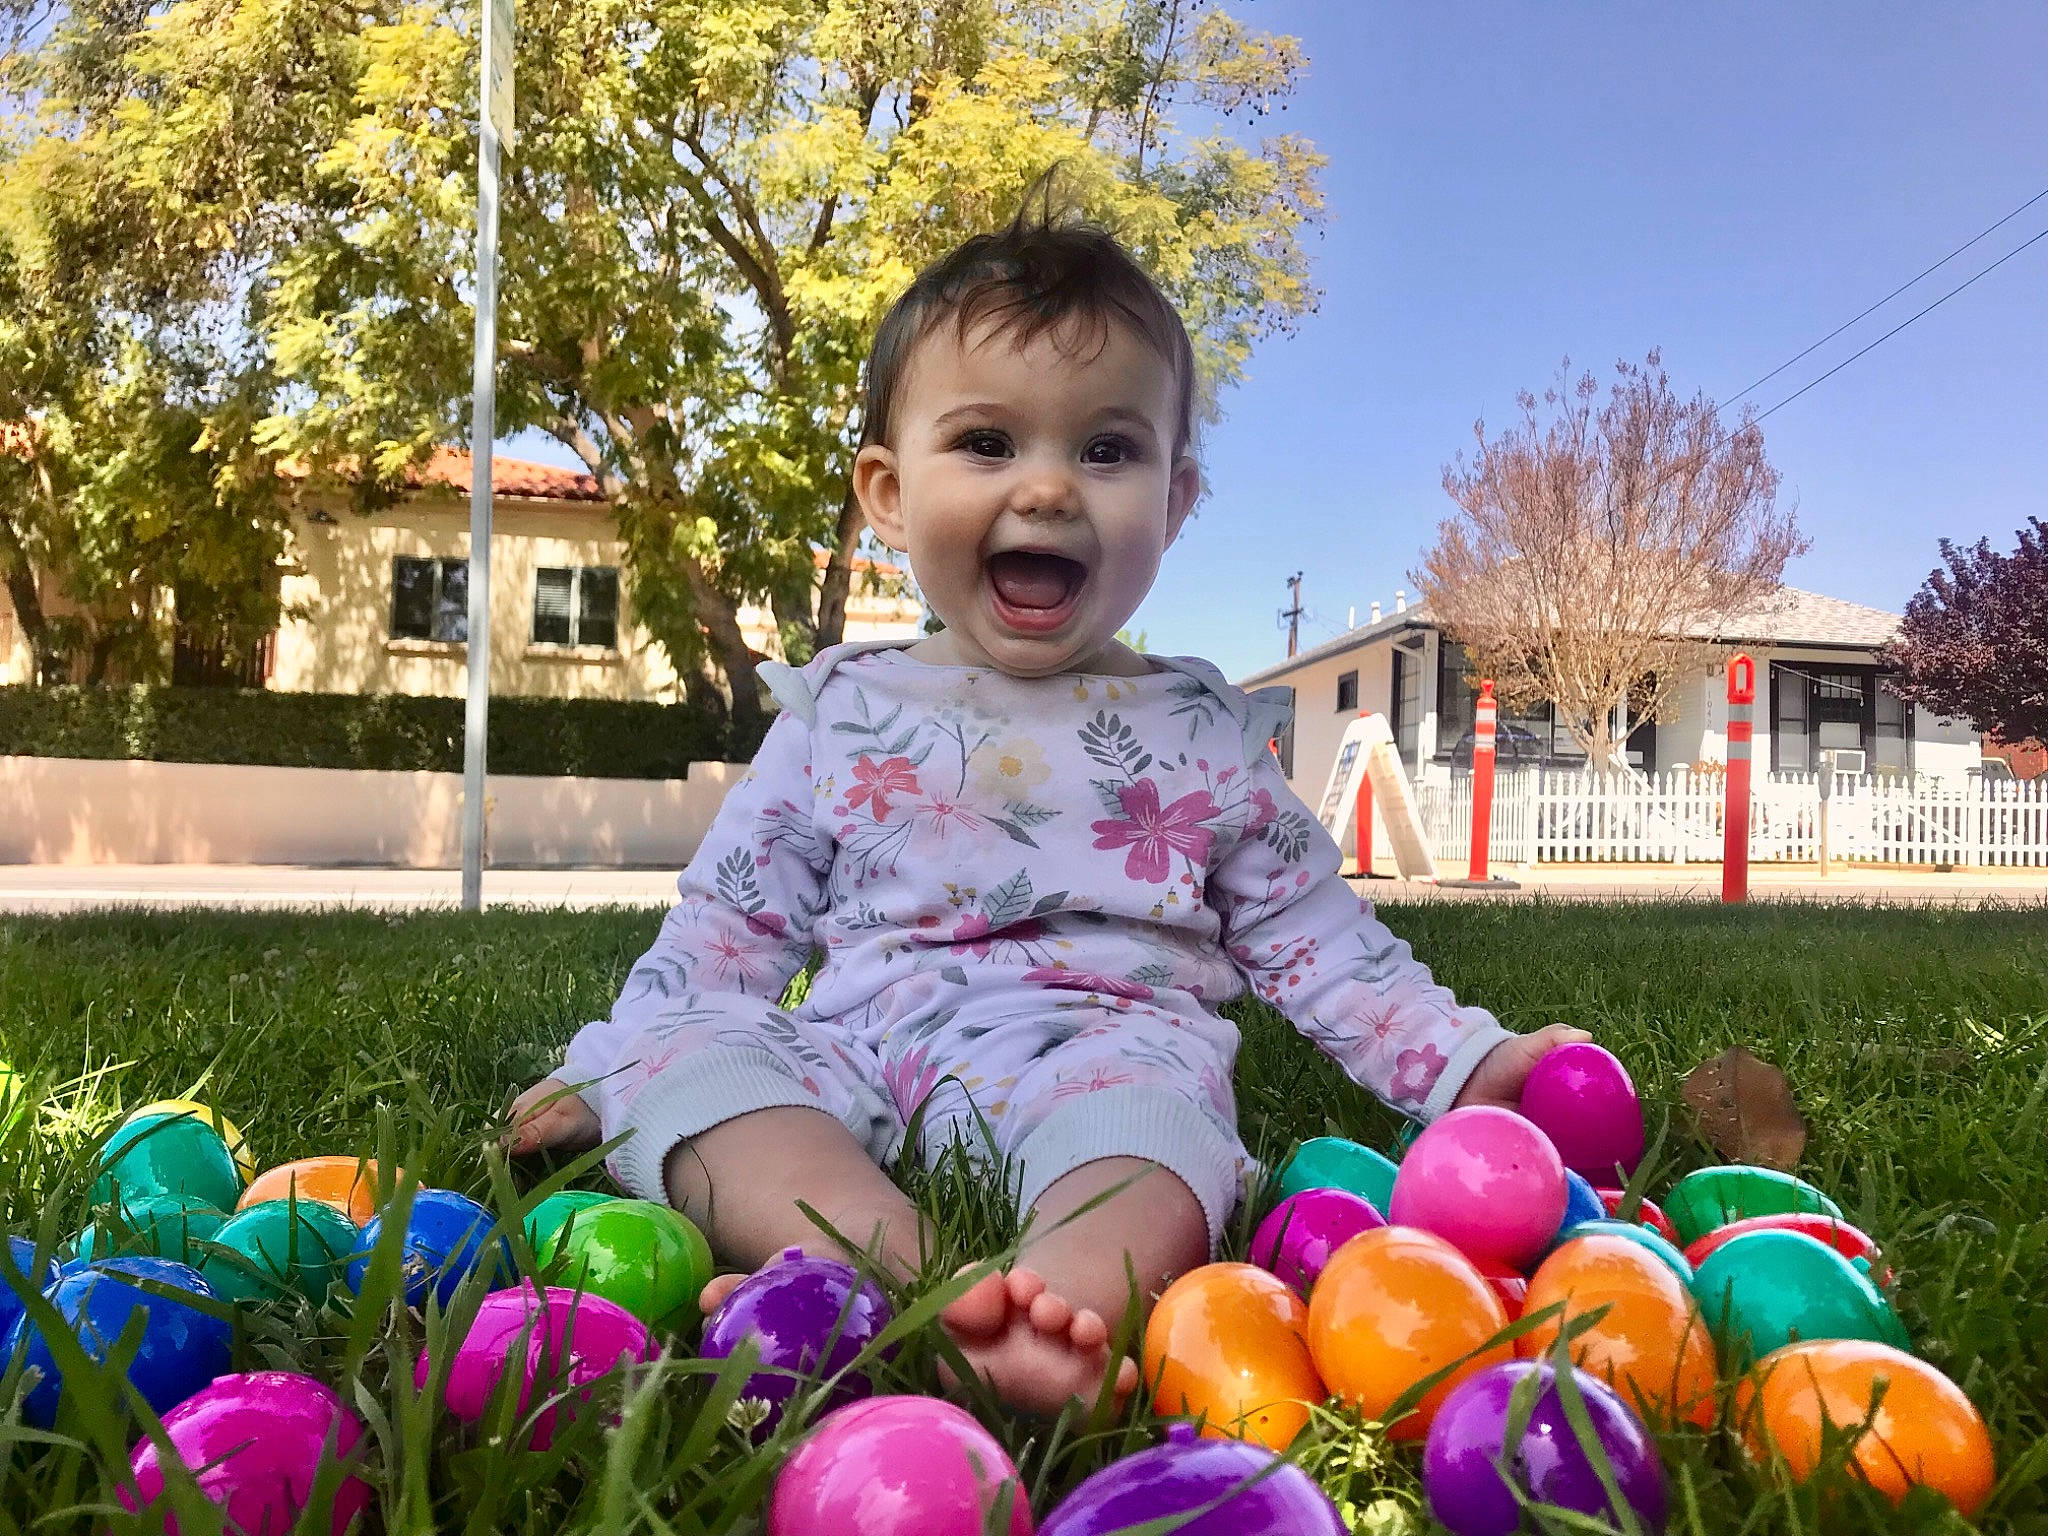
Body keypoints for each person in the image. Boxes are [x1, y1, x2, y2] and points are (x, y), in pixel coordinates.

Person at [506, 194, 1588, 1416]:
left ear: (1175, 504)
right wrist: (610, 1065)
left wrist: (1465, 1060)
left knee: (1158, 1138)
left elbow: (1318, 938)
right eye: (984, 443)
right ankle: (917, 1277)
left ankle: (1055, 1301)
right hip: (859, 1045)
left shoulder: (1201, 732)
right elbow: (729, 929)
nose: (1047, 488)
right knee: (701, 1074)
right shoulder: (840, 708)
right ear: (885, 491)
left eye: (1107, 451)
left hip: (1103, 1045)